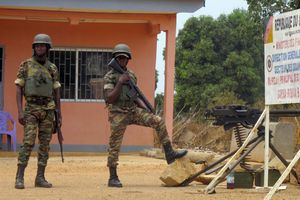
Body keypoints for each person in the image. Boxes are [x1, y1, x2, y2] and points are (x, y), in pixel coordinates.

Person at [104, 43, 187, 187]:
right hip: (118, 113)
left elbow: (134, 97)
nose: (122, 60)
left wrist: (147, 108)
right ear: (115, 59)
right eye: (119, 58)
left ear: (128, 59)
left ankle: (169, 153)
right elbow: (109, 98)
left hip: (132, 111)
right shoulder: (110, 76)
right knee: (114, 145)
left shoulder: (131, 75)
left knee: (158, 120)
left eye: (124, 58)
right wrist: (119, 83)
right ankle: (112, 177)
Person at [14, 33, 62, 189]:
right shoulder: (26, 65)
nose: (40, 48)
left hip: (48, 109)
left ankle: (40, 177)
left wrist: (59, 113)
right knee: (28, 142)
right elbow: (19, 88)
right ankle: (19, 176)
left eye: (43, 45)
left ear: (48, 48)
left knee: (45, 144)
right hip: (31, 108)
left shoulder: (52, 67)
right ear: (34, 48)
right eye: (37, 45)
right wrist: (20, 111)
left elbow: (56, 91)